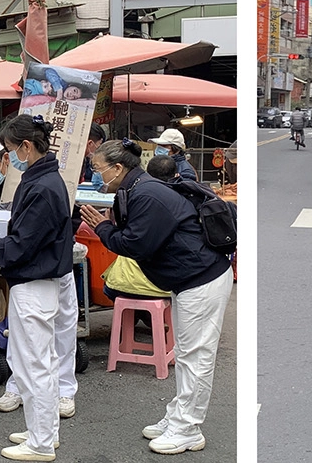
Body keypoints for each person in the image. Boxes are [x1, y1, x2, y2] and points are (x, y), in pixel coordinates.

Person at [79, 140, 232, 455]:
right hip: (189, 278)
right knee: (188, 354)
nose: (96, 176)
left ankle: (188, 428)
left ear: (118, 168)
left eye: (98, 169)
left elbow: (136, 245)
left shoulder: (146, 194)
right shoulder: (137, 190)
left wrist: (105, 228)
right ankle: (178, 416)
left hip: (200, 277)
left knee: (196, 357)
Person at [0, 116, 76, 462]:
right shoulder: (43, 180)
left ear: (25, 146)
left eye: (9, 150)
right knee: (41, 362)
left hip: (34, 282)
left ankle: (40, 442)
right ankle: (44, 432)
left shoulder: (41, 186)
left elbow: (20, 245)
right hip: (38, 281)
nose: (10, 158)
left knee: (32, 364)